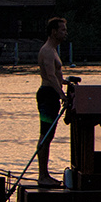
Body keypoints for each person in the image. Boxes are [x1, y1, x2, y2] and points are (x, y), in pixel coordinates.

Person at [36, 16, 67, 187]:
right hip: (48, 95)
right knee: (45, 135)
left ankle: (44, 174)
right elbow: (50, 76)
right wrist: (62, 94)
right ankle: (42, 176)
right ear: (54, 32)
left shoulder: (54, 50)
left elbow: (56, 76)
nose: (65, 33)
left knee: (50, 135)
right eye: (62, 30)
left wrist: (66, 83)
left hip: (52, 94)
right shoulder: (47, 51)